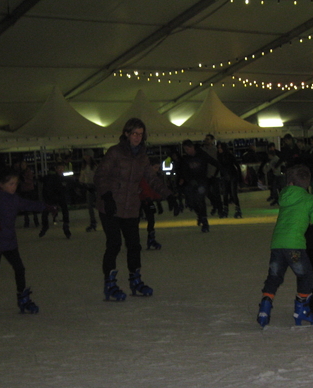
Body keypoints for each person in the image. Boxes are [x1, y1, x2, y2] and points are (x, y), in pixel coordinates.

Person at [94, 117, 177, 301]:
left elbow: (152, 179)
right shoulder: (115, 152)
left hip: (131, 206)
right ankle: (110, 284)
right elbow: (101, 175)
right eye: (134, 134)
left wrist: (168, 194)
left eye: (140, 134)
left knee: (134, 245)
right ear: (126, 134)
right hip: (111, 206)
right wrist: (107, 196)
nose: (138, 137)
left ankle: (135, 280)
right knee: (114, 244)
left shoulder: (142, 157)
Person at [0, 167, 54, 323]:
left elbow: (28, 204)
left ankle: (22, 299)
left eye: (15, 184)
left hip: (9, 241)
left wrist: (45, 207)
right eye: (10, 184)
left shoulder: (14, 198)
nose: (14, 187)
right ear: (1, 184)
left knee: (19, 269)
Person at [256, 164, 313, 327]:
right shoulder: (309, 199)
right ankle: (301, 309)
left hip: (277, 245)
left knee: (274, 277)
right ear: (307, 184)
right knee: (306, 276)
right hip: (294, 246)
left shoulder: (284, 197)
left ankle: (264, 309)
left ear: (290, 183)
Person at [177, 139, 224, 232]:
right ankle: (200, 215)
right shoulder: (186, 159)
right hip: (191, 182)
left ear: (192, 147)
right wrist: (184, 179)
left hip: (202, 181)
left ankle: (205, 221)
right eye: (185, 150)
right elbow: (183, 171)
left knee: (200, 200)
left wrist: (223, 170)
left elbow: (213, 161)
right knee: (191, 202)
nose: (187, 151)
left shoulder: (202, 155)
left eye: (187, 149)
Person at [39, 162, 71, 239]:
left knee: (65, 209)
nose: (60, 170)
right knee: (45, 211)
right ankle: (45, 226)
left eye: (62, 168)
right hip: (52, 198)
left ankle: (66, 226)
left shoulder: (64, 178)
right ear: (56, 169)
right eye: (59, 168)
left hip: (60, 198)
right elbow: (43, 181)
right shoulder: (52, 177)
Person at [216, 141, 242, 218]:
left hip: (232, 176)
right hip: (225, 176)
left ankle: (238, 210)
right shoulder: (219, 156)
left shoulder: (229, 156)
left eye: (220, 148)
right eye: (218, 148)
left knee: (233, 193)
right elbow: (219, 167)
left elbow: (237, 165)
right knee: (225, 194)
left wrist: (239, 177)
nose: (219, 149)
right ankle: (226, 210)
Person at [201, 134, 223, 216]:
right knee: (207, 192)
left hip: (215, 174)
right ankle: (215, 205)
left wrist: (216, 173)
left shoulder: (215, 150)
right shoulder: (203, 150)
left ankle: (219, 209)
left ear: (212, 140)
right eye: (206, 139)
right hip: (206, 175)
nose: (206, 140)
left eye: (208, 139)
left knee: (216, 192)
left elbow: (218, 162)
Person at [79, 150, 98, 232]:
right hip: (88, 187)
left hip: (95, 187)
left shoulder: (95, 166)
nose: (86, 157)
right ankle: (93, 222)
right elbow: (82, 178)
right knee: (89, 206)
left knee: (100, 205)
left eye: (87, 155)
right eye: (85, 156)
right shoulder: (84, 166)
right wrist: (81, 184)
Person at [18, 160, 40, 228]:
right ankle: (27, 221)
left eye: (24, 165)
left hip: (30, 190)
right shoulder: (20, 172)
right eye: (22, 165)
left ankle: (35, 220)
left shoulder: (29, 172)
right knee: (25, 207)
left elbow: (30, 180)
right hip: (24, 190)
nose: (23, 166)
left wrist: (24, 180)